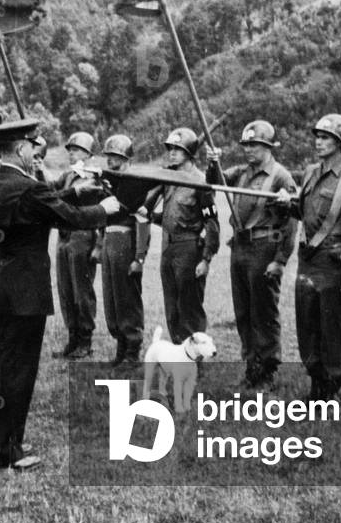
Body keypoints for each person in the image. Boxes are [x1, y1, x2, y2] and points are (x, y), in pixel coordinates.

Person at [0, 118, 120, 469]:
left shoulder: (0, 181)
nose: (37, 151)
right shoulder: (27, 186)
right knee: (18, 371)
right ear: (21, 148)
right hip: (24, 291)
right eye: (33, 145)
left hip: (0, 285)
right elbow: (67, 217)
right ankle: (7, 450)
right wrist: (103, 210)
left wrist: (73, 191)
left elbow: (40, 206)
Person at [277, 114, 341, 401]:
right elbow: (303, 213)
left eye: (326, 137)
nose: (318, 142)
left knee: (331, 329)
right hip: (307, 262)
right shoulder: (309, 173)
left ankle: (332, 390)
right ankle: (316, 386)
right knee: (308, 327)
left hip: (332, 262)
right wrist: (287, 204)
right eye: (317, 136)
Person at [206, 120, 298, 390]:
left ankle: (267, 370)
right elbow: (213, 183)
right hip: (240, 248)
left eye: (255, 145)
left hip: (264, 248)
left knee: (264, 312)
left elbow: (291, 221)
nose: (249, 150)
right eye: (246, 145)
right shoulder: (242, 173)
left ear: (268, 147)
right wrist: (213, 163)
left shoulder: (281, 176)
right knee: (243, 311)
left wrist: (280, 260)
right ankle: (252, 366)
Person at [144, 127, 220, 343]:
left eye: (177, 149)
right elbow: (170, 215)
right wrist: (151, 216)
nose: (172, 153)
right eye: (170, 149)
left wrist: (206, 258)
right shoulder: (170, 177)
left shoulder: (199, 181)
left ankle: (195, 359)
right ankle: (180, 352)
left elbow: (212, 222)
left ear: (189, 152)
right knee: (172, 307)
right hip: (168, 248)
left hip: (189, 249)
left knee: (190, 307)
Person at [97, 134, 150, 368]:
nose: (111, 160)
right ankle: (120, 346)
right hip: (109, 240)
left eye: (116, 156)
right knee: (112, 299)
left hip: (125, 241)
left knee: (127, 297)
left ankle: (132, 350)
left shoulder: (136, 181)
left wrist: (139, 256)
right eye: (108, 156)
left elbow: (142, 220)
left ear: (126, 158)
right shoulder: (109, 180)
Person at [51, 131, 100, 359]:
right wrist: (39, 167)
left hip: (82, 236)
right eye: (70, 149)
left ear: (89, 154)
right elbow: (51, 190)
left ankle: (85, 340)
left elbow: (99, 212)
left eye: (77, 150)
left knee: (82, 291)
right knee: (65, 290)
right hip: (64, 235)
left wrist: (98, 244)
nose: (72, 153)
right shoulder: (69, 176)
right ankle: (73, 338)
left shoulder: (94, 178)